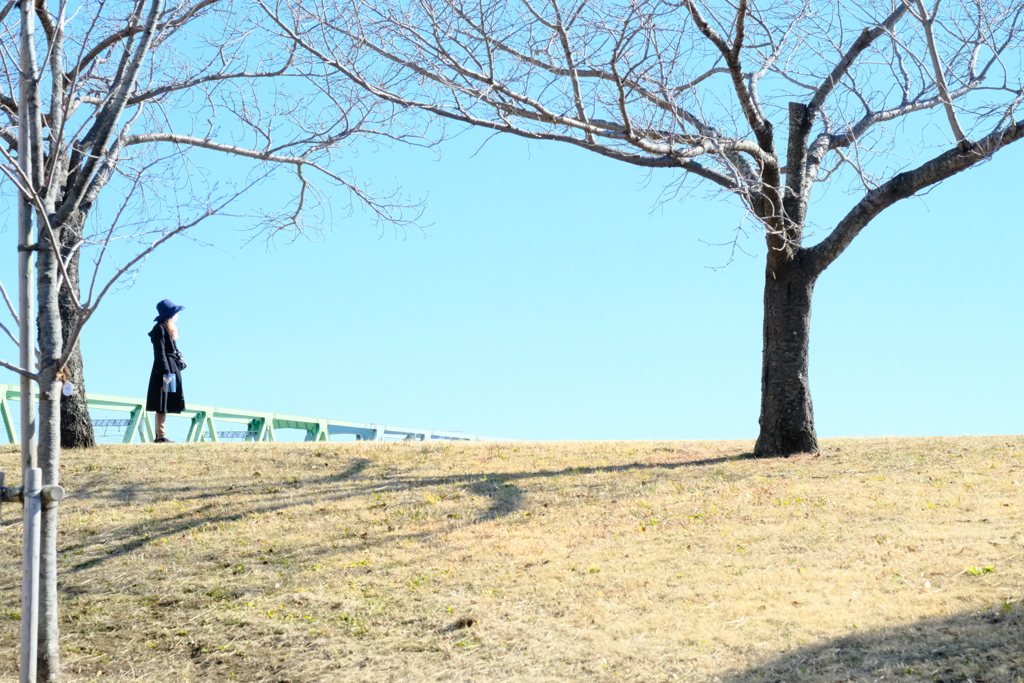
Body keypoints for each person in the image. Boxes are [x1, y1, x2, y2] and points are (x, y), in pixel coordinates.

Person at [146, 299, 186, 443]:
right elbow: (159, 352)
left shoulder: (167, 328)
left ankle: (161, 434)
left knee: (167, 400)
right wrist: (166, 371)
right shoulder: (160, 329)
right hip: (165, 369)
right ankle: (160, 435)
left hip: (170, 367)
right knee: (162, 401)